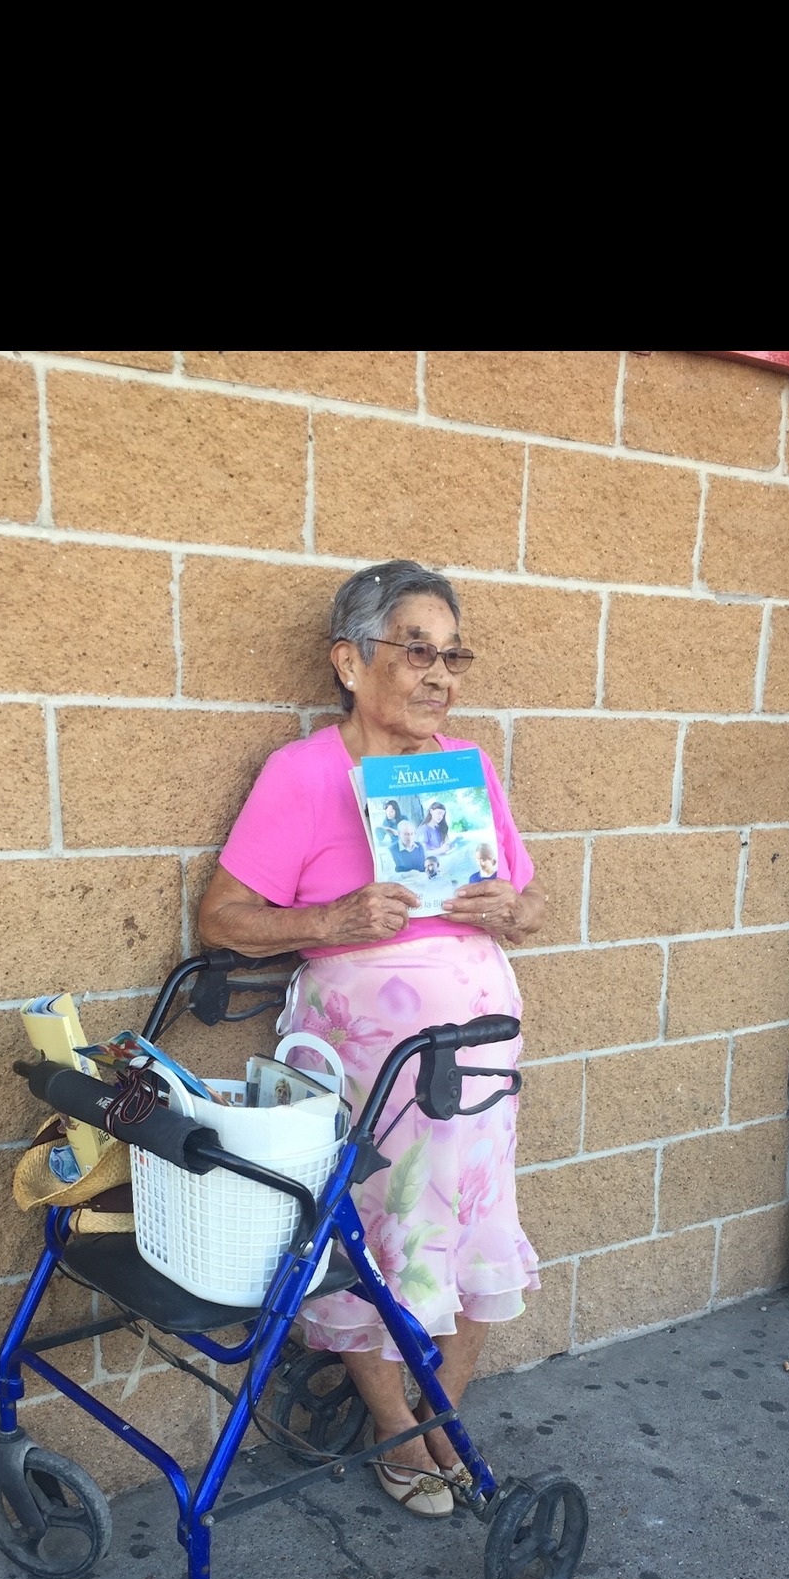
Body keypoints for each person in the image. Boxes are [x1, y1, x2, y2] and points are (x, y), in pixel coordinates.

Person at [197, 558, 548, 1521]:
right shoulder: (305, 774)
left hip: (477, 1060)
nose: (442, 676)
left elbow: (533, 906)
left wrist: (510, 911)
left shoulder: (466, 773)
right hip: (370, 1070)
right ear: (351, 664)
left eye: (453, 655)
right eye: (417, 651)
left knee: (475, 1232)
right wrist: (333, 920)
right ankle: (407, 1432)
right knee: (374, 1244)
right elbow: (221, 919)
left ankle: (436, 1430)